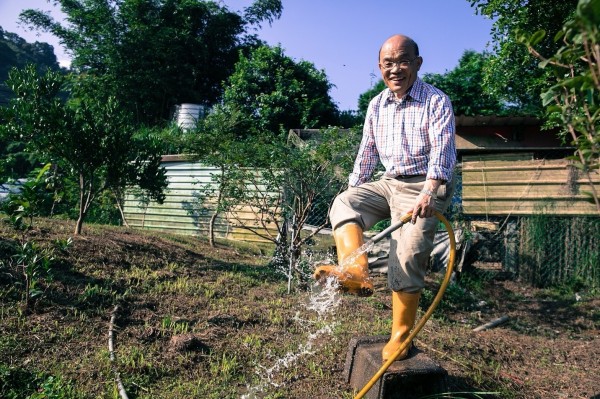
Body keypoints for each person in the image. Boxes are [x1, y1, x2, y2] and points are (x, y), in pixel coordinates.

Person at [313, 34, 456, 363]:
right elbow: (366, 155)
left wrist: (429, 192)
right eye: (388, 63)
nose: (395, 69)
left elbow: (443, 152)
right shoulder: (377, 104)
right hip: (389, 181)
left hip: (425, 185)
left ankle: (400, 338)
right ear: (380, 67)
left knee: (405, 258)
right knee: (344, 204)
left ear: (417, 64)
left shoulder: (435, 101)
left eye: (403, 61)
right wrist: (351, 190)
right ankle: (356, 272)